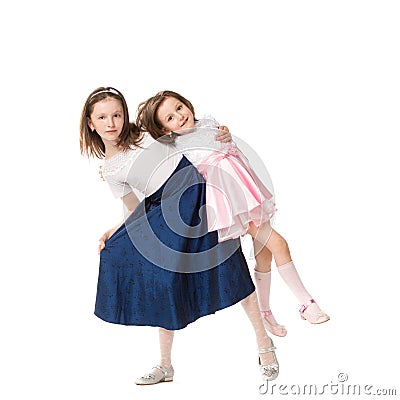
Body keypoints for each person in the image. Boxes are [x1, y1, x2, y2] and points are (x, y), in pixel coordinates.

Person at [80, 87, 279, 384]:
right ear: (90, 123)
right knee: (164, 279)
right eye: (103, 117)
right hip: (166, 213)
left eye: (117, 115)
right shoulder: (110, 170)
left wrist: (222, 133)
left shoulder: (146, 133)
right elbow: (135, 209)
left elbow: (188, 128)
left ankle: (265, 346)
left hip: (196, 195)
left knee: (231, 267)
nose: (111, 123)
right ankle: (165, 365)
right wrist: (116, 230)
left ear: (125, 115)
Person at [136, 90, 330, 339]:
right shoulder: (175, 145)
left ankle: (265, 312)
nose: (179, 117)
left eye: (179, 108)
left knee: (265, 255)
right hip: (232, 200)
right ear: (165, 130)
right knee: (279, 243)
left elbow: (227, 145)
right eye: (170, 118)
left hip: (247, 188)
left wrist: (227, 136)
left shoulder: (208, 121)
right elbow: (142, 146)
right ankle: (307, 304)